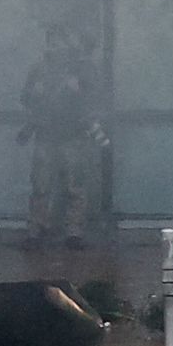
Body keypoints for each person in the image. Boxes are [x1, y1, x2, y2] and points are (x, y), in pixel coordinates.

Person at [18, 21, 105, 251]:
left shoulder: (83, 69)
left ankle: (73, 232)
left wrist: (79, 91)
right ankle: (36, 230)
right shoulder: (39, 69)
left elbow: (96, 98)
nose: (56, 46)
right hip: (46, 134)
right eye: (53, 40)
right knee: (40, 185)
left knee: (75, 186)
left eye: (60, 40)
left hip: (73, 135)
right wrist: (34, 94)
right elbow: (25, 97)